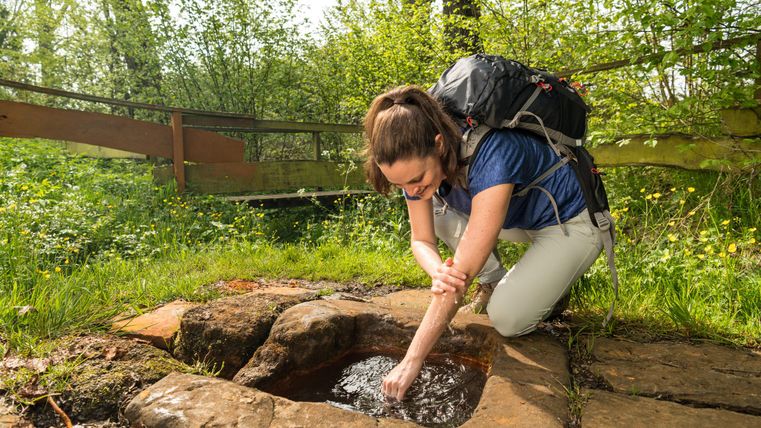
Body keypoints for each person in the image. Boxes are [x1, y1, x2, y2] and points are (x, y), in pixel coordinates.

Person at [363, 85, 604, 401]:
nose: (413, 191)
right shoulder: (420, 168)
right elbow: (421, 239)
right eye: (401, 185)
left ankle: (552, 281)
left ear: (438, 145)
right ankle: (495, 282)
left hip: (570, 221)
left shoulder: (493, 153)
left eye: (415, 180)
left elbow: (459, 279)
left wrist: (412, 360)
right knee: (439, 213)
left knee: (507, 318)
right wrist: (438, 271)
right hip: (520, 216)